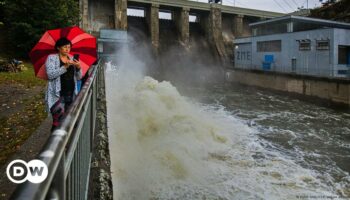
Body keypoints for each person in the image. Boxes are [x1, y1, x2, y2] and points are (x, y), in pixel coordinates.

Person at [45, 37, 82, 132]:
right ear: (58, 47)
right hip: (57, 95)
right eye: (65, 47)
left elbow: (78, 77)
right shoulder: (51, 58)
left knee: (69, 120)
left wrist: (78, 67)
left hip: (71, 93)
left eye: (69, 47)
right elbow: (50, 75)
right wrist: (65, 67)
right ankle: (53, 144)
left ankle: (65, 142)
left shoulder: (71, 58)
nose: (67, 49)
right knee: (58, 121)